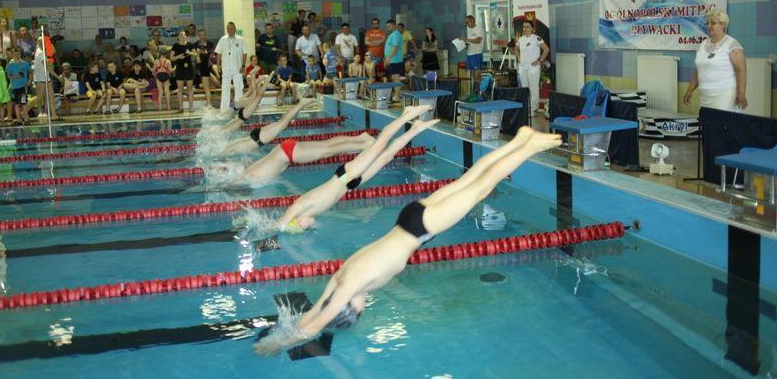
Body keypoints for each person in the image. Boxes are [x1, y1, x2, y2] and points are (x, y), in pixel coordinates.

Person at [253, 126, 562, 356]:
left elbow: (315, 324)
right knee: (470, 180)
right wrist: (285, 331)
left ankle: (528, 147)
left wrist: (280, 343)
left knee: (481, 187)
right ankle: (520, 140)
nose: (364, 306)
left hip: (418, 230)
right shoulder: (341, 278)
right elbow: (317, 310)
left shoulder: (352, 285)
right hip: (408, 219)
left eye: (359, 310)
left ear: (351, 306)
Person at [278, 106, 436, 233]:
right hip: (349, 183)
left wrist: (281, 226)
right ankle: (415, 129)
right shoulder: (311, 214)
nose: (306, 227)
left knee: (379, 144)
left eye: (301, 228)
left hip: (345, 176)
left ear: (296, 222)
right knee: (386, 157)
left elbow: (284, 220)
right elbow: (312, 225)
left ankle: (406, 115)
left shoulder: (301, 205)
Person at [222, 129, 374, 186]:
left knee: (328, 150)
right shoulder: (249, 172)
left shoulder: (251, 178)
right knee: (326, 145)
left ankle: (363, 145)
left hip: (288, 153)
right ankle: (360, 137)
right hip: (285, 148)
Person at [683, 9, 747, 111]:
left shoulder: (732, 45)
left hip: (725, 95)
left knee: (722, 124)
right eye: (707, 23)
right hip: (705, 96)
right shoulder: (702, 44)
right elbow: (698, 70)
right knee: (707, 124)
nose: (709, 26)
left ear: (723, 25)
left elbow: (741, 70)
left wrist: (741, 93)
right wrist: (690, 90)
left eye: (713, 23)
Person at [220, 97, 315, 156]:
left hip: (258, 139)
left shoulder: (228, 152)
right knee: (282, 123)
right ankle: (301, 104)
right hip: (255, 137)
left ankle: (301, 103)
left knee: (282, 123)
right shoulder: (230, 147)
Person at [514, 20, 549, 113]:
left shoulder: (537, 38)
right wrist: (519, 58)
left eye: (527, 27)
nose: (525, 29)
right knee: (525, 88)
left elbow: (546, 49)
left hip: (533, 67)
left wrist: (540, 61)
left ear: (533, 29)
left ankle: (533, 108)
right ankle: (527, 107)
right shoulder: (521, 39)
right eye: (524, 27)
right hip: (522, 67)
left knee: (534, 88)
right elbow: (516, 49)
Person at [215, 21, 248, 112]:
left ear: (235, 29)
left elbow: (245, 53)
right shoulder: (223, 39)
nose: (230, 29)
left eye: (231, 28)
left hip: (237, 68)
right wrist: (218, 65)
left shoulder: (241, 39)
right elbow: (219, 53)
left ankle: (239, 109)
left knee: (239, 89)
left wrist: (243, 65)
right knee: (225, 89)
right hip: (226, 68)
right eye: (228, 28)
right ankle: (224, 110)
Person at [29, 37, 60, 120]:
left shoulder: (43, 51)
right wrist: (58, 77)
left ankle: (54, 115)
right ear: (39, 43)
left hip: (46, 78)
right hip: (40, 78)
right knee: (39, 98)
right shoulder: (40, 53)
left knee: (51, 96)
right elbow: (48, 68)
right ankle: (24, 111)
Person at [171, 31, 197, 113]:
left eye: (184, 34)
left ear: (186, 36)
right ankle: (180, 107)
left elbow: (195, 55)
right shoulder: (175, 46)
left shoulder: (190, 44)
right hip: (180, 69)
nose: (183, 36)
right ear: (178, 37)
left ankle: (191, 107)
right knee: (180, 89)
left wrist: (190, 53)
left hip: (188, 68)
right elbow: (171, 58)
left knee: (190, 89)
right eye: (181, 35)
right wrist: (179, 56)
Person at [5, 47, 31, 125]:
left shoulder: (25, 64)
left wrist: (29, 81)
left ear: (20, 54)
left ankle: (26, 119)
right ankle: (18, 119)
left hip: (23, 87)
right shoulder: (10, 65)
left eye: (18, 54)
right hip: (15, 87)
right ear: (12, 55)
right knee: (16, 103)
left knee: (24, 103)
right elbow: (8, 76)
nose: (16, 55)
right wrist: (16, 76)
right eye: (15, 54)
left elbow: (30, 73)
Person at [194, 29, 217, 108]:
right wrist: (197, 55)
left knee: (206, 86)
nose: (202, 36)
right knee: (206, 85)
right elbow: (193, 52)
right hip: (200, 67)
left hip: (206, 66)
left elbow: (211, 53)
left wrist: (203, 53)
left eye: (203, 34)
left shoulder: (210, 43)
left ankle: (209, 103)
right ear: (198, 36)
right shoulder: (196, 44)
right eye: (200, 35)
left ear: (206, 35)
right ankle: (209, 102)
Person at [383, 20, 404, 101]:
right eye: (387, 26)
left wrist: (389, 58)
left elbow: (395, 47)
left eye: (389, 26)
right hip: (392, 60)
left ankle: (396, 96)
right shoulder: (392, 34)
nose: (388, 28)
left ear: (394, 25)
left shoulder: (395, 34)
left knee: (396, 78)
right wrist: (387, 58)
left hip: (395, 60)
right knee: (394, 77)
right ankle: (397, 95)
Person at [464, 15, 484, 85]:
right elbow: (470, 42)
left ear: (472, 20)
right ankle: (476, 92)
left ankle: (482, 92)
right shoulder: (469, 31)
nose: (466, 24)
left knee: (478, 75)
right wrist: (465, 45)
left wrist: (467, 40)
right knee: (473, 76)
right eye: (465, 23)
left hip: (476, 54)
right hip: (469, 54)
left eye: (467, 22)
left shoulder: (479, 29)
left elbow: (478, 40)